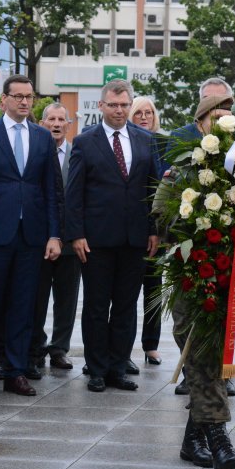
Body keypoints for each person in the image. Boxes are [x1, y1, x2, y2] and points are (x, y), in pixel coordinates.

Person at [166, 88, 235, 469]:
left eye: (229, 118)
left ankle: (192, 441)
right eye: (215, 118)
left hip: (230, 281)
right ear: (200, 124)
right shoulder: (184, 167)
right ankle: (221, 443)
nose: (223, 124)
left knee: (210, 363)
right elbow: (164, 217)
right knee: (200, 356)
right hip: (192, 280)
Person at [0, 74, 61, 398]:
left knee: (23, 307)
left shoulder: (42, 137)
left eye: (29, 97)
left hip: (31, 236)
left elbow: (52, 190)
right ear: (3, 99)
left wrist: (54, 235)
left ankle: (15, 371)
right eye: (18, 96)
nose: (24, 102)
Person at [65, 79, 159, 393]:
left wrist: (154, 230)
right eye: (113, 105)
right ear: (101, 106)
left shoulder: (146, 139)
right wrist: (76, 234)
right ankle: (96, 368)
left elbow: (154, 189)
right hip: (96, 239)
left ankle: (118, 367)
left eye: (124, 105)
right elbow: (74, 192)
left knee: (125, 306)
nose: (119, 110)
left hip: (135, 239)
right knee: (96, 306)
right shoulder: (84, 141)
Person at [170, 78, 235, 398]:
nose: (219, 113)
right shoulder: (181, 142)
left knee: (227, 317)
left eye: (224, 107)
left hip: (229, 247)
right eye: (212, 107)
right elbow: (168, 194)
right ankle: (195, 372)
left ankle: (223, 376)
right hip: (190, 246)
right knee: (185, 320)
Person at [28, 103, 81, 374]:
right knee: (36, 297)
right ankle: (35, 346)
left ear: (69, 125)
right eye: (52, 119)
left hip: (70, 240)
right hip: (38, 239)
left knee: (67, 298)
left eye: (62, 119)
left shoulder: (77, 154)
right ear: (42, 123)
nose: (57, 124)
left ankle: (59, 348)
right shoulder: (33, 152)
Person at [128, 96, 167, 366]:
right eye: (139, 112)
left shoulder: (164, 143)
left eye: (149, 112)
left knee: (154, 290)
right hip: (131, 225)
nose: (144, 117)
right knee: (127, 293)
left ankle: (151, 345)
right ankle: (124, 348)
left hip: (159, 227)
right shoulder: (127, 142)